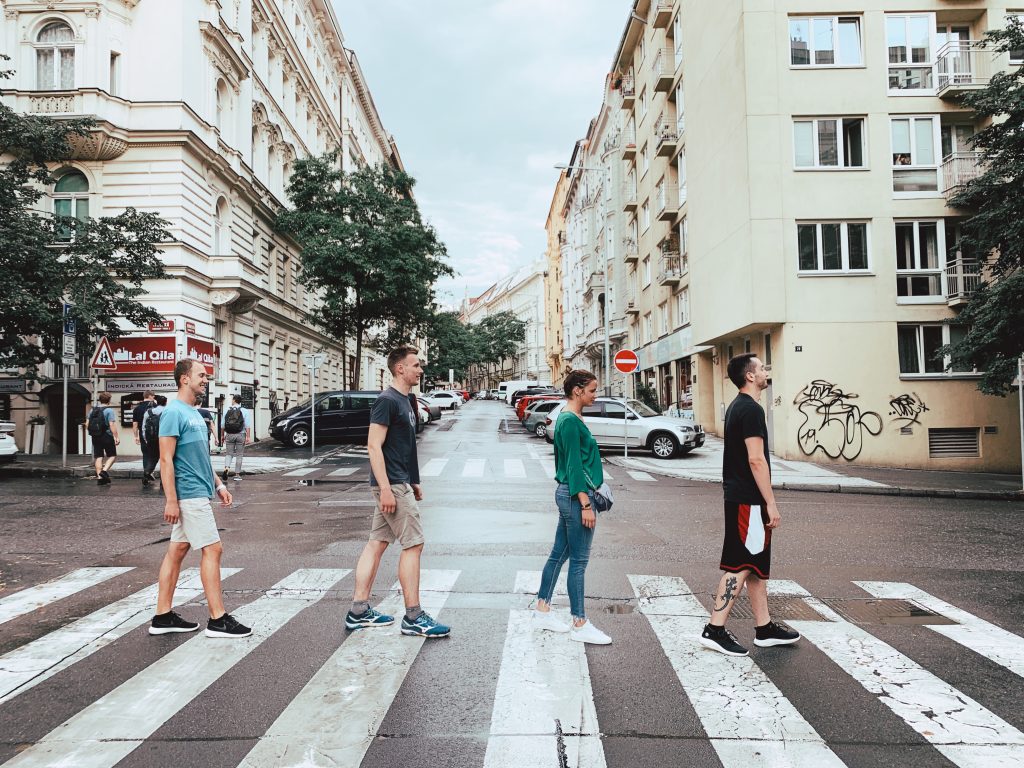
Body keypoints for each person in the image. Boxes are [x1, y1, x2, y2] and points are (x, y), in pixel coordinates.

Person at [344, 345, 450, 638]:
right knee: (413, 544)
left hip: (399, 481)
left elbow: (406, 446)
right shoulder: (387, 400)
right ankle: (414, 616)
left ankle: (358, 610)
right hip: (389, 484)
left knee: (377, 542)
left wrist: (413, 480)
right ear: (400, 368)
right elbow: (373, 446)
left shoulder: (408, 400)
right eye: (416, 365)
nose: (420, 369)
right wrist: (386, 488)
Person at [699, 354, 800, 657]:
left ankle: (764, 627)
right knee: (740, 564)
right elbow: (756, 459)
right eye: (762, 368)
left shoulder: (737, 407)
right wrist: (771, 502)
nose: (766, 371)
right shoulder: (751, 410)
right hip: (749, 501)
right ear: (751, 377)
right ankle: (715, 629)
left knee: (754, 565)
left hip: (741, 497)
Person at [149, 358, 251, 639]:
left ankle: (162, 616)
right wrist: (171, 499)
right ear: (184, 378)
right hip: (188, 494)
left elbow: (200, 457)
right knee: (213, 549)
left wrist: (219, 485)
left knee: (178, 551)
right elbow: (166, 459)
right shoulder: (173, 413)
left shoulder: (195, 412)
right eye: (201, 375)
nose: (206, 380)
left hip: (200, 490)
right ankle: (218, 619)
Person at [534, 369, 611, 645]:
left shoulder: (572, 417)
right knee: (578, 561)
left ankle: (542, 610)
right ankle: (579, 622)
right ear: (577, 390)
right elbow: (573, 466)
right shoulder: (568, 420)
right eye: (592, 390)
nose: (595, 394)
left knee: (559, 554)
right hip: (575, 496)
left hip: (571, 495)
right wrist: (586, 503)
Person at [88, 392, 119, 486]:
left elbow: (87, 423)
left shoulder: (92, 410)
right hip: (107, 435)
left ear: (100, 400)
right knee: (112, 455)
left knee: (99, 456)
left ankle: (100, 478)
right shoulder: (109, 410)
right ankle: (104, 471)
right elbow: (111, 424)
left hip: (95, 436)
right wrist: (116, 436)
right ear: (109, 400)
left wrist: (94, 432)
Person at [220, 394, 251, 481]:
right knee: (239, 455)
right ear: (240, 401)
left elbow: (222, 425)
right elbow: (247, 425)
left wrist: (222, 435)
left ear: (234, 400)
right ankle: (237, 475)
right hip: (241, 434)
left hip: (229, 434)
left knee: (229, 454)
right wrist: (248, 436)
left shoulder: (227, 410)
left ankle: (226, 468)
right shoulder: (244, 411)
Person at [141, 395, 167, 486]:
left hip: (152, 439)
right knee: (165, 459)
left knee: (153, 457)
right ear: (165, 402)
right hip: (165, 439)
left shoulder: (149, 412)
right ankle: (163, 481)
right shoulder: (168, 411)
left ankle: (147, 471)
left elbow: (144, 427)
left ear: (157, 402)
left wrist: (146, 439)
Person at [132, 391, 157, 485]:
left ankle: (146, 474)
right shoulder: (155, 407)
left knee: (146, 454)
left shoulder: (137, 408)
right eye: (153, 396)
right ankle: (149, 472)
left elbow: (135, 424)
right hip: (156, 435)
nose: (154, 397)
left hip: (144, 435)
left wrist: (136, 436)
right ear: (150, 396)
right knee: (155, 455)